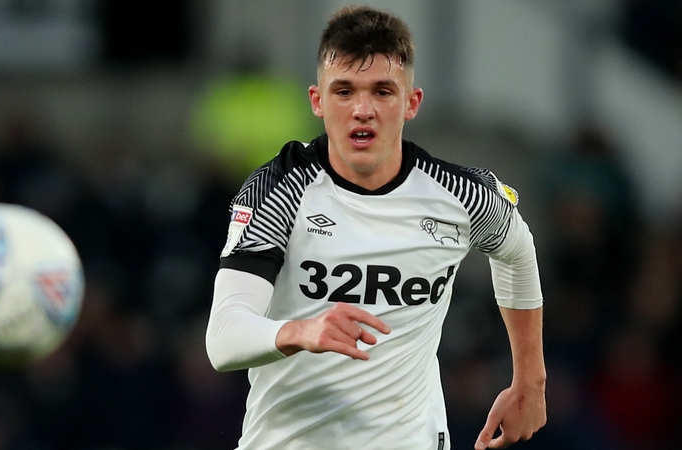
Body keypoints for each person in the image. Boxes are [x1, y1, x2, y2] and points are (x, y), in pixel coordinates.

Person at [205, 5, 546, 449]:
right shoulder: (279, 191)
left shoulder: (460, 195)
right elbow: (223, 337)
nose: (362, 110)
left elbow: (517, 251)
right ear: (317, 101)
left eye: (382, 91)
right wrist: (300, 331)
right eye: (344, 91)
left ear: (411, 103)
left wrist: (530, 380)